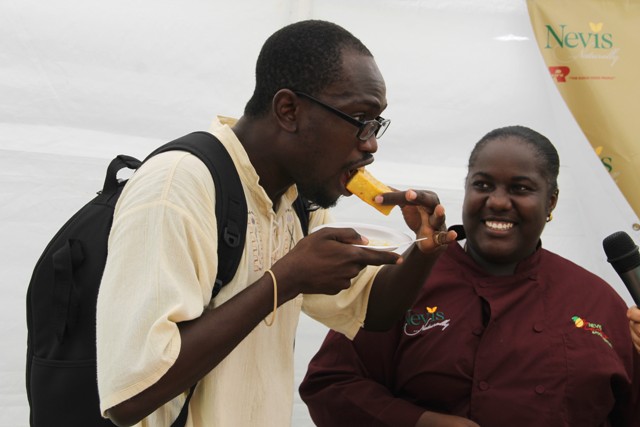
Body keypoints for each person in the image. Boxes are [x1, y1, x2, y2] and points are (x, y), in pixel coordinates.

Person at [95, 20, 457, 427]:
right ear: (289, 110)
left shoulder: (298, 199)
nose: (370, 143)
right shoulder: (179, 185)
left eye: (376, 125)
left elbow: (371, 312)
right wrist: (285, 281)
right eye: (359, 119)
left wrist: (424, 251)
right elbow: (131, 394)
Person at [300, 125, 640, 427]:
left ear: (550, 202)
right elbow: (329, 384)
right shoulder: (407, 280)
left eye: (520, 189)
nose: (498, 202)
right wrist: (422, 422)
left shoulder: (596, 300)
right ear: (465, 189)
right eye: (483, 185)